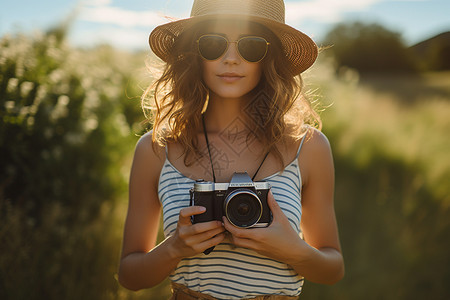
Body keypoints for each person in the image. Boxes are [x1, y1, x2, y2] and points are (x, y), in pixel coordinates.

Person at [118, 0, 344, 299]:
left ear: (270, 57)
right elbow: (130, 276)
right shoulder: (156, 149)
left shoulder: (308, 146)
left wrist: (293, 249)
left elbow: (332, 270)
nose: (231, 59)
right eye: (213, 44)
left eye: (251, 46)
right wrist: (174, 248)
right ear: (194, 54)